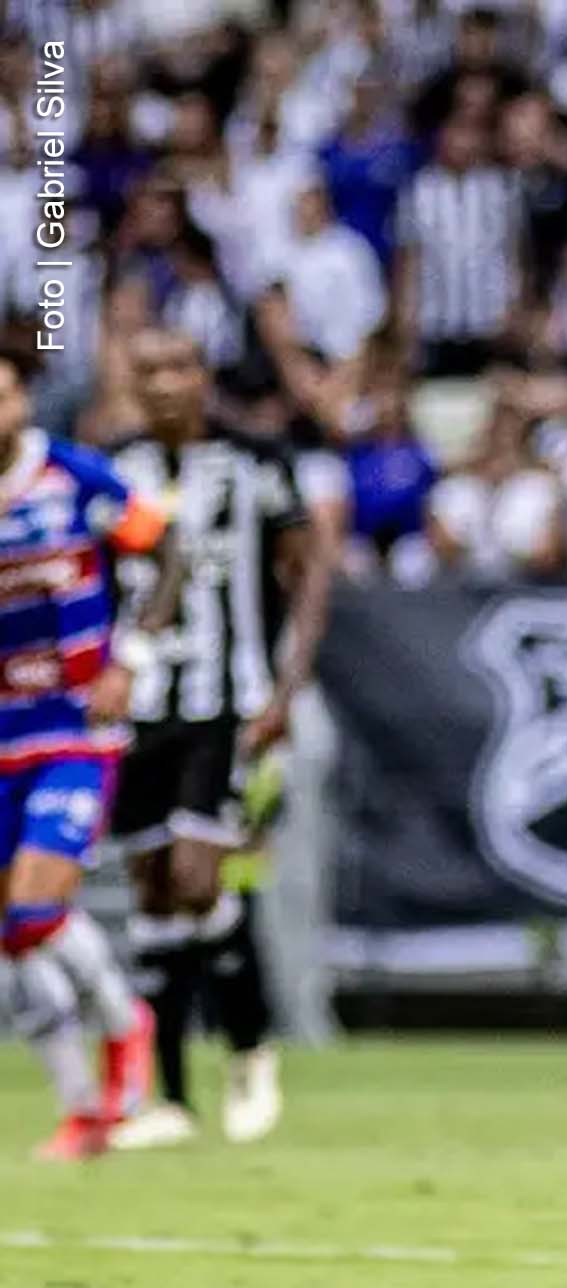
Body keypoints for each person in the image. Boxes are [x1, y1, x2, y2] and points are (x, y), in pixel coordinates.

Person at [104, 330, 336, 1149]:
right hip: (137, 708)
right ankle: (166, 1098)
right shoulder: (115, 468)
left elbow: (308, 570)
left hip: (224, 703)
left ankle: (249, 1046)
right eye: (149, 371)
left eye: (178, 369)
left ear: (202, 376)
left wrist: (286, 685)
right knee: (155, 897)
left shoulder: (254, 462)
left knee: (199, 879)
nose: (165, 385)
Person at [0, 350, 179, 1160]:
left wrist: (130, 658)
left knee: (36, 911)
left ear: (22, 401)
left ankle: (125, 1025)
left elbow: (167, 550)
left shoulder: (73, 477)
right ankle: (85, 1109)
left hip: (74, 729)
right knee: (14, 935)